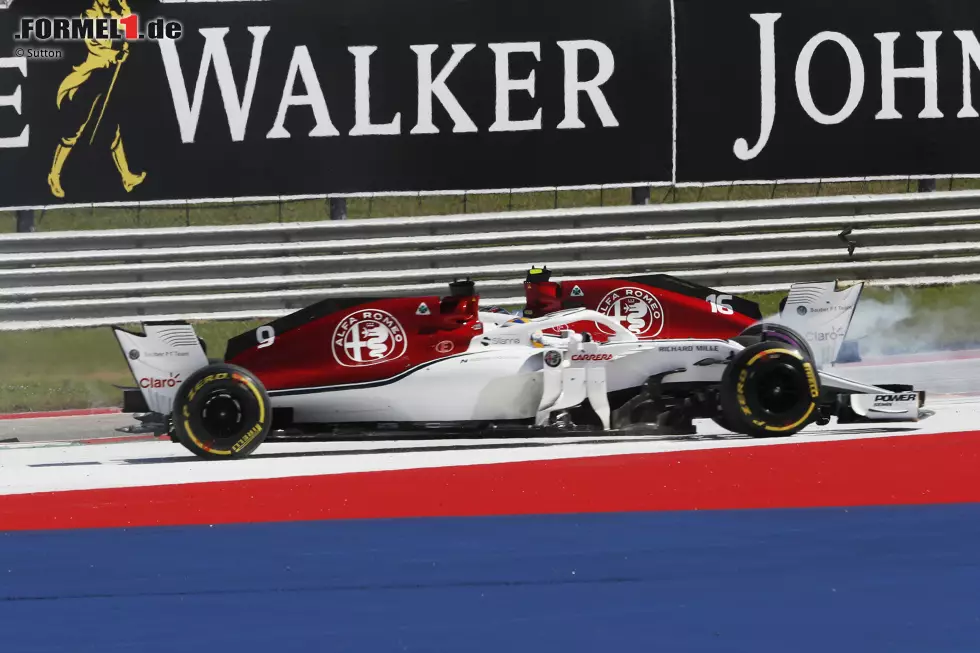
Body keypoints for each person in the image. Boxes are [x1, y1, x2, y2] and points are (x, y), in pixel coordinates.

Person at [47, 0, 146, 199]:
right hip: (89, 78)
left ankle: (126, 176)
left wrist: (126, 12)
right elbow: (97, 46)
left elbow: (132, 32)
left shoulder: (113, 13)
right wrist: (116, 54)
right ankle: (54, 175)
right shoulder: (90, 14)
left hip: (107, 78)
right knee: (74, 130)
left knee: (112, 128)